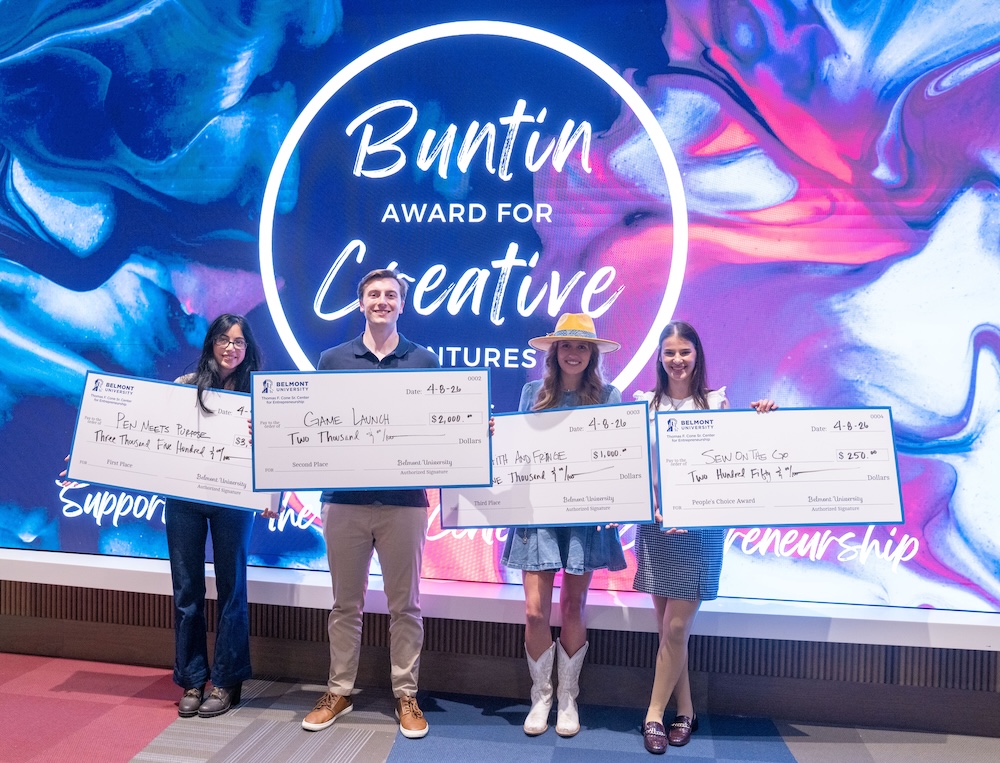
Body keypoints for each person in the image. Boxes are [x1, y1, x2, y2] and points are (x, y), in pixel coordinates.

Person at [302, 268, 439, 739]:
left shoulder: (423, 360)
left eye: (391, 295)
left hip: (405, 504)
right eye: (374, 295)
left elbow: (439, 426)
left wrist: (469, 431)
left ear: (403, 304)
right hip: (344, 501)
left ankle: (407, 696)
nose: (382, 301)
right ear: (360, 303)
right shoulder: (333, 360)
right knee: (345, 604)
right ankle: (338, 690)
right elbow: (313, 423)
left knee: (407, 607)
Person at [633, 321, 777, 754]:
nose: (677, 360)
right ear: (659, 357)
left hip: (700, 531)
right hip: (656, 527)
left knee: (676, 629)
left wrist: (762, 420)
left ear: (697, 356)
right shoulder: (644, 405)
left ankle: (653, 717)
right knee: (668, 632)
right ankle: (687, 711)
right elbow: (636, 470)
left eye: (685, 352)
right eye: (670, 353)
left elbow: (738, 458)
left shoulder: (717, 403)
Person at [501, 313, 627, 738]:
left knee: (573, 606)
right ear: (554, 352)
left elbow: (620, 457)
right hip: (537, 513)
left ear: (592, 355)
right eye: (566, 346)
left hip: (584, 519)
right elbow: (514, 451)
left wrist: (619, 497)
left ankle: (568, 698)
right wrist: (490, 436)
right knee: (535, 610)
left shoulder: (610, 396)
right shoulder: (531, 393)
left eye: (582, 347)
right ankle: (542, 696)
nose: (573, 353)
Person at [167, 313, 274, 718]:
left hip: (233, 499)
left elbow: (273, 450)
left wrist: (270, 493)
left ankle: (227, 681)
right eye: (224, 340)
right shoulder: (183, 388)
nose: (232, 348)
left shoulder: (259, 395)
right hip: (184, 498)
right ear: (211, 343)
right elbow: (152, 441)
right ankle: (193, 678)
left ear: (248, 350)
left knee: (232, 590)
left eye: (240, 342)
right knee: (187, 591)